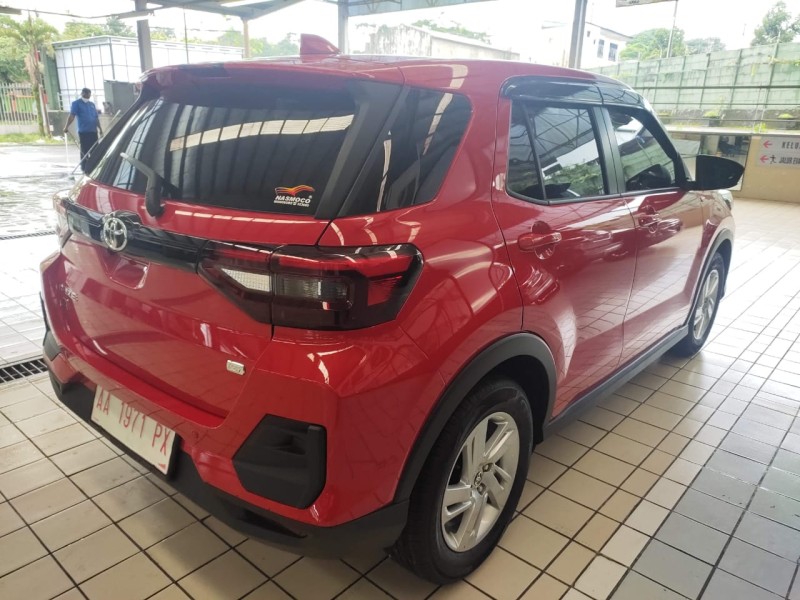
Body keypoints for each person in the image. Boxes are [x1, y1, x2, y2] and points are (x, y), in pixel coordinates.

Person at [64, 88, 103, 172]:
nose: (88, 96)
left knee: (95, 149)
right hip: (84, 131)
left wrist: (100, 129)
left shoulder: (91, 104)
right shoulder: (76, 104)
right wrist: (66, 126)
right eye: (86, 94)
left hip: (93, 131)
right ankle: (84, 167)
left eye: (89, 94)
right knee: (85, 150)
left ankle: (94, 166)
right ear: (82, 94)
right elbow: (72, 116)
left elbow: (96, 118)